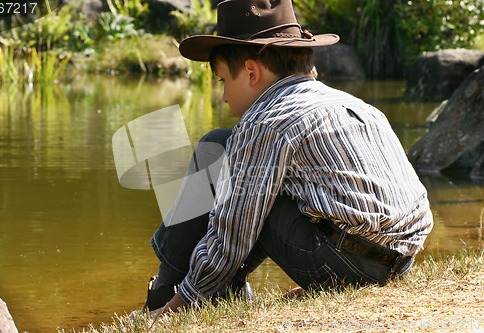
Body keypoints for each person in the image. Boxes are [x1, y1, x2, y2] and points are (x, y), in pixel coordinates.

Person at [137, 0, 433, 317]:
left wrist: (184, 301)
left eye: (224, 81)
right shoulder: (357, 106)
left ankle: (165, 295)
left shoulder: (265, 120)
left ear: (251, 72)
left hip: (345, 262)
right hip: (400, 262)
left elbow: (232, 235)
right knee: (229, 152)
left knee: (219, 154)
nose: (223, 97)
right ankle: (219, 291)